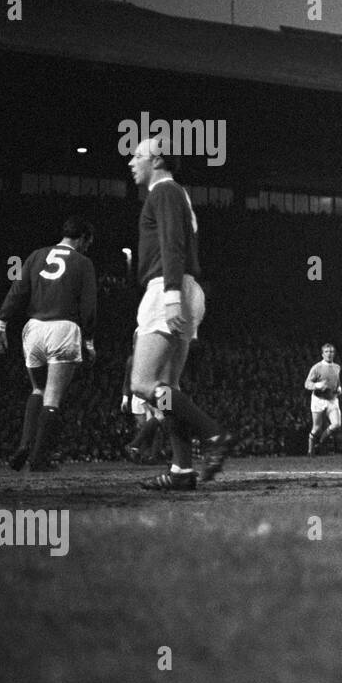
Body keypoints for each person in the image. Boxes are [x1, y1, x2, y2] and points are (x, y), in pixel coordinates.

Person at [126, 136, 232, 490]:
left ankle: (213, 434)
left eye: (137, 155)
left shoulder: (164, 191)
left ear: (157, 161)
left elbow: (173, 243)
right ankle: (182, 470)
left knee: (142, 383)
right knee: (168, 387)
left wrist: (170, 295)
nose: (131, 161)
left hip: (167, 288)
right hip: (183, 287)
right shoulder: (175, 193)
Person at [0, 216, 98, 471]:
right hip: (63, 328)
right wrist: (90, 340)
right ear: (82, 238)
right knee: (53, 397)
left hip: (34, 329)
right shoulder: (83, 263)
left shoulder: (36, 255)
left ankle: (24, 445)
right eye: (88, 242)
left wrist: (1, 323)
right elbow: (89, 305)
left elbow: (17, 289)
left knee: (37, 390)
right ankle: (39, 459)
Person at [122, 331, 166, 463]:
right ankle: (142, 450)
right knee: (162, 420)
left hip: (157, 389)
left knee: (158, 423)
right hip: (158, 390)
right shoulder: (140, 357)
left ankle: (148, 454)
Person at [305, 343, 342, 455]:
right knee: (316, 428)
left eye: (331, 352)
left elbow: (337, 381)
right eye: (327, 352)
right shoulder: (316, 368)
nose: (329, 354)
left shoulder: (337, 367)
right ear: (322, 354)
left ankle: (321, 442)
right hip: (318, 400)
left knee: (336, 424)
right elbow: (307, 384)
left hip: (332, 400)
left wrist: (339, 388)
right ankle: (310, 448)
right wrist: (317, 385)